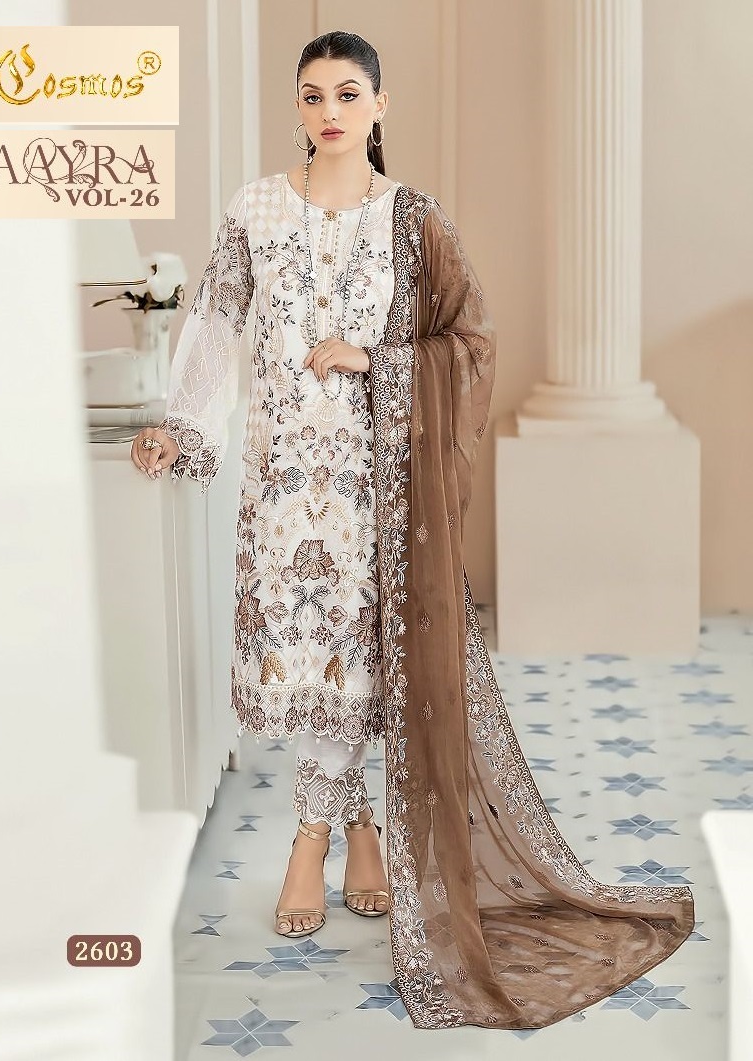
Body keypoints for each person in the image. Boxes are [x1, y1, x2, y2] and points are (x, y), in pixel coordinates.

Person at [130, 29, 695, 1032]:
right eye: (313, 95)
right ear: (297, 107)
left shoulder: (412, 217)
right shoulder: (255, 208)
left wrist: (375, 359)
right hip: (280, 485)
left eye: (348, 93)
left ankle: (310, 837)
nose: (329, 111)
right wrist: (180, 423)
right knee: (309, 662)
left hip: (377, 488)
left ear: (380, 106)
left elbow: (468, 339)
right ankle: (357, 829)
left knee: (359, 665)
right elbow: (216, 319)